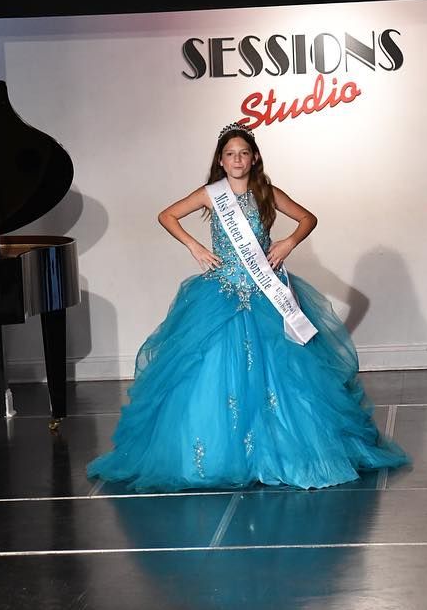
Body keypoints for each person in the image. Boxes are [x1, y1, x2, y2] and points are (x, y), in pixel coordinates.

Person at [86, 123, 409, 491]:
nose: (237, 159)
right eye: (230, 154)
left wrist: (287, 243)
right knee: (209, 371)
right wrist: (195, 246)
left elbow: (308, 218)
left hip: (266, 294)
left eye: (243, 153)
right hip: (220, 294)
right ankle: (222, 456)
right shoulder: (211, 195)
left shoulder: (266, 192)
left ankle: (280, 453)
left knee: (284, 372)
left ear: (254, 158)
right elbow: (167, 215)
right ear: (220, 162)